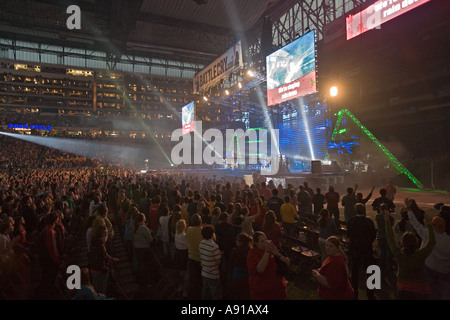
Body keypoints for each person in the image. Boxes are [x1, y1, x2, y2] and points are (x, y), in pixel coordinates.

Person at [384, 205, 435, 300]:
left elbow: (390, 237)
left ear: (403, 243)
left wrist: (387, 220)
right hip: (421, 290)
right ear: (416, 243)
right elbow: (432, 242)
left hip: (403, 289)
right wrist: (429, 224)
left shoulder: (399, 254)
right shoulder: (420, 254)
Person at [246, 231, 289, 300]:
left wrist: (278, 254)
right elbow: (260, 269)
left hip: (277, 288)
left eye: (266, 240)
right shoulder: (253, 253)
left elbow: (287, 263)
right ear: (256, 243)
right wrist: (267, 252)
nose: (265, 243)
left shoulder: (272, 249)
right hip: (263, 291)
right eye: (262, 241)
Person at [346, 203, 377, 300]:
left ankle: (354, 293)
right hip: (366, 248)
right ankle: (370, 294)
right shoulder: (368, 221)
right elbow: (373, 235)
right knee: (370, 271)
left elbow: (349, 235)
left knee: (355, 272)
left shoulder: (351, 221)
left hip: (355, 248)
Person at [199, 224, 222, 300]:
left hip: (204, 272)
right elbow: (218, 262)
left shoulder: (201, 243)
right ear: (212, 234)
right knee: (215, 294)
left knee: (205, 291)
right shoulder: (214, 246)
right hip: (213, 274)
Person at [229, 232, 253, 300]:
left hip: (236, 277)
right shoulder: (250, 251)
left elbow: (231, 265)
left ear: (241, 242)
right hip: (247, 277)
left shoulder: (234, 251)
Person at [186, 213, 203, 300]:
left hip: (191, 258)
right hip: (201, 259)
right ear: (200, 221)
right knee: (200, 281)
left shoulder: (188, 230)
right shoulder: (203, 231)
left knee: (192, 279)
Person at [376, 203, 395, 271]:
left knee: (382, 251)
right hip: (388, 235)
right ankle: (388, 266)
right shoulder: (390, 217)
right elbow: (392, 224)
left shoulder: (378, 216)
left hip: (381, 235)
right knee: (388, 251)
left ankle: (382, 265)